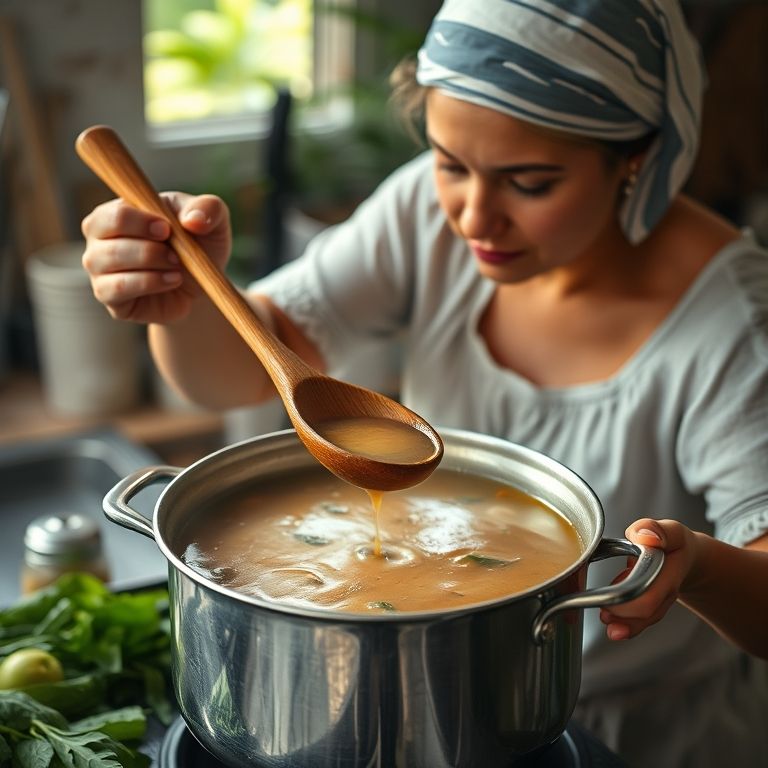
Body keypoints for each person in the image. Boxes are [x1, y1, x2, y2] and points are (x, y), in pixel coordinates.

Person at [80, 0, 768, 764]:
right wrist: (181, 300)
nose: (475, 216)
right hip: (438, 705)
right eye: (449, 162)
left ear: (636, 157)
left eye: (531, 182)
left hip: (652, 735)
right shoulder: (424, 213)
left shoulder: (735, 322)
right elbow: (232, 372)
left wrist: (699, 566)